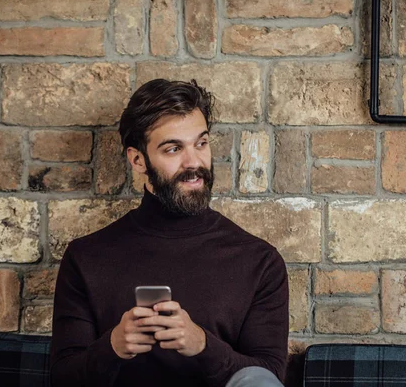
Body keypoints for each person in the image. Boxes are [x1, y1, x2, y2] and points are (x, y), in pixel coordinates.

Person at [50, 79, 289, 387]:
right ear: (138, 160)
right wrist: (112, 348)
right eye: (174, 148)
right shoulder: (85, 258)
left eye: (201, 143)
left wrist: (203, 345)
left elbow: (269, 378)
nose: (194, 163)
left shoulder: (260, 261)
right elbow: (62, 378)